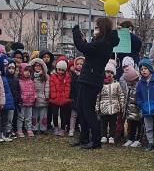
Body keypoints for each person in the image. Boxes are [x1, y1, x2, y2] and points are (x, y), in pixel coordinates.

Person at [72, 18, 120, 150]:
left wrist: (76, 31)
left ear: (102, 29)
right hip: (87, 78)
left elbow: (83, 47)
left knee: (88, 111)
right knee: (81, 109)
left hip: (91, 80)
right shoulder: (102, 42)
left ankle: (96, 141)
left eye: (97, 27)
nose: (95, 29)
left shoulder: (103, 43)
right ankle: (84, 138)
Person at [96, 62, 123, 144]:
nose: (109, 74)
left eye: (111, 72)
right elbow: (98, 96)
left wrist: (121, 105)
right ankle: (103, 135)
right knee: (103, 123)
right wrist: (97, 107)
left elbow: (120, 95)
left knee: (113, 123)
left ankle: (111, 136)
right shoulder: (101, 84)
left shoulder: (117, 84)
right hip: (104, 107)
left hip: (114, 108)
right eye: (108, 72)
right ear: (105, 73)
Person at [49, 57, 73, 137]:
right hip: (55, 98)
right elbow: (52, 87)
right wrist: (53, 96)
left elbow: (67, 87)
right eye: (59, 70)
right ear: (56, 69)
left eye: (62, 70)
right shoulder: (53, 76)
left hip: (64, 99)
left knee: (64, 115)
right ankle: (55, 127)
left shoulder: (67, 77)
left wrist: (66, 97)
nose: (60, 72)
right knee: (55, 114)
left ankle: (62, 128)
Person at [121, 57, 142, 146]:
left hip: (138, 110)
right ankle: (130, 138)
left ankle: (138, 139)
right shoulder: (129, 87)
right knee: (131, 125)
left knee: (139, 125)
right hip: (130, 111)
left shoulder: (139, 86)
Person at [31, 57, 50, 134]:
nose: (38, 67)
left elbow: (47, 86)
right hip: (34, 98)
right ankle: (34, 128)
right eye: (36, 66)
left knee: (43, 115)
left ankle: (43, 128)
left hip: (43, 97)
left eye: (39, 66)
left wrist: (47, 96)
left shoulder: (45, 76)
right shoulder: (31, 76)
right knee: (34, 115)